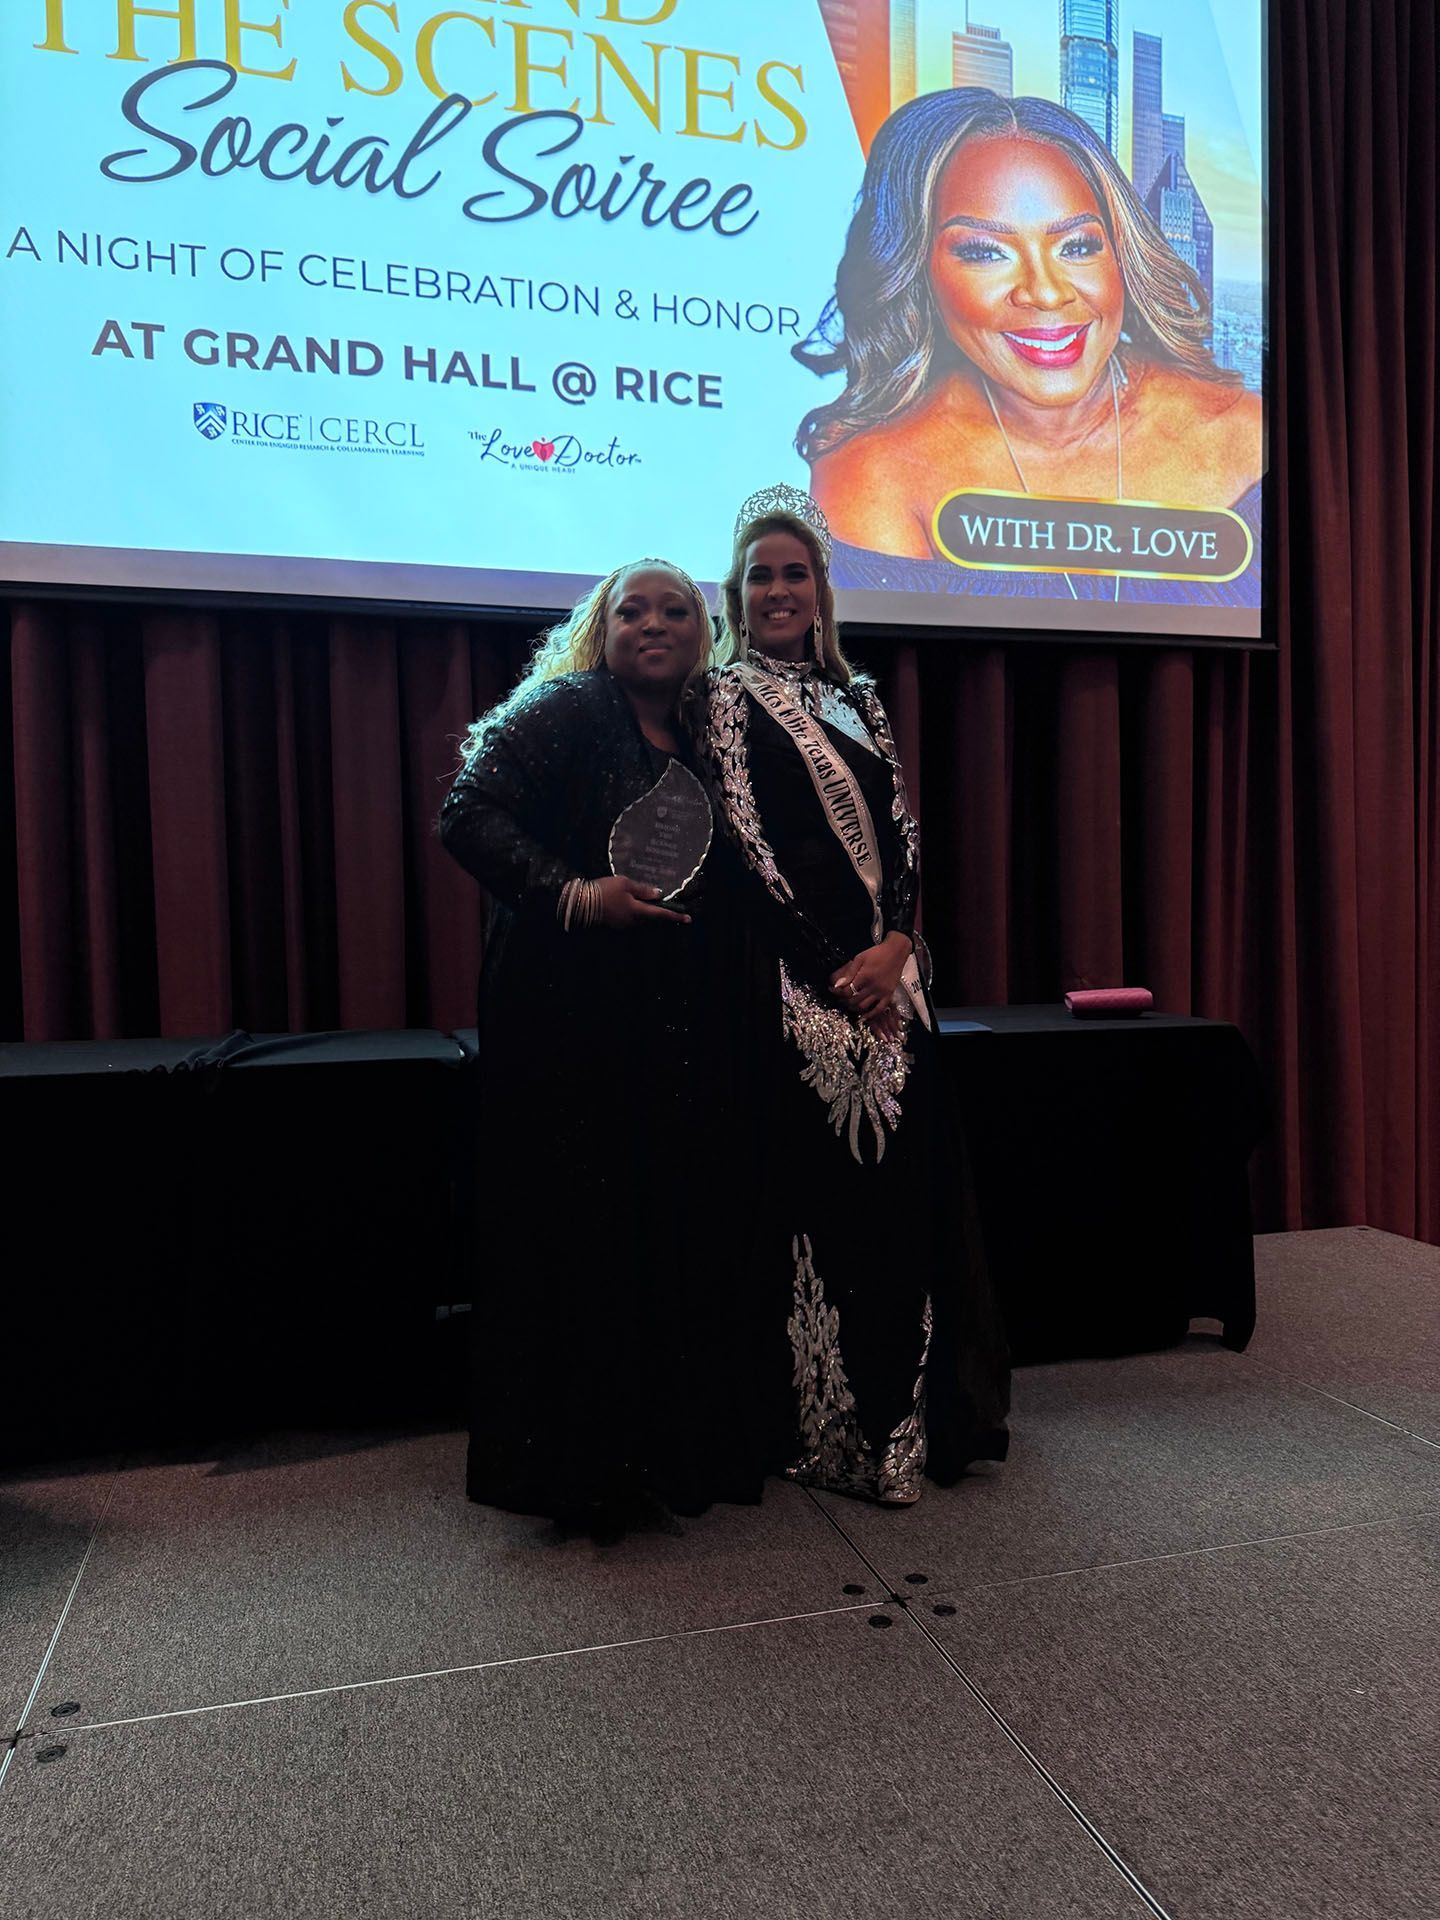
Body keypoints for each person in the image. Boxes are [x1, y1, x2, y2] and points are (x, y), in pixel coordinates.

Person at [438, 559, 774, 1534]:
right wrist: (577, 896)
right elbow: (466, 814)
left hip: (665, 1028)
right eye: (635, 609)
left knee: (654, 1235)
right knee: (578, 1239)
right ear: (603, 626)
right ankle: (575, 1473)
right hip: (567, 1020)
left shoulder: (711, 735)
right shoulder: (572, 708)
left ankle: (655, 1454)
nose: (655, 624)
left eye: (677, 610)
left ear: (703, 634)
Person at [692, 484, 1010, 1504]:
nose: (778, 591)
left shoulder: (858, 698)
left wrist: (900, 944)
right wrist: (843, 968)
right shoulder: (725, 698)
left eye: (794, 573)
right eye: (759, 576)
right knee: (836, 1206)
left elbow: (904, 842)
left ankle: (919, 1421)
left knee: (907, 1203)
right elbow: (747, 848)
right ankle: (835, 1430)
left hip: (889, 983)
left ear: (821, 590)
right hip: (798, 993)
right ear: (736, 598)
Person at [795, 89, 1262, 606]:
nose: (1045, 291)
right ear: (917, 270)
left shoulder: (1248, 435)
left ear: (1123, 255)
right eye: (984, 252)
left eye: (1078, 246)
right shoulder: (874, 471)